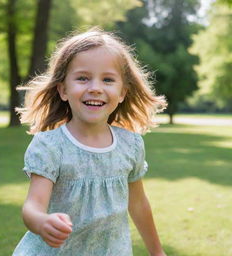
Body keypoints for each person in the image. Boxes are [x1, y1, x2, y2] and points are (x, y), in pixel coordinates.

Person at [13, 28, 167, 256]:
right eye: (83, 78)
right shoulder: (50, 146)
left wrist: (157, 252)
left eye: (107, 79)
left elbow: (138, 205)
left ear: (122, 93)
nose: (95, 88)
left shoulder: (131, 145)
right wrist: (42, 222)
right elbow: (32, 206)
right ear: (63, 90)